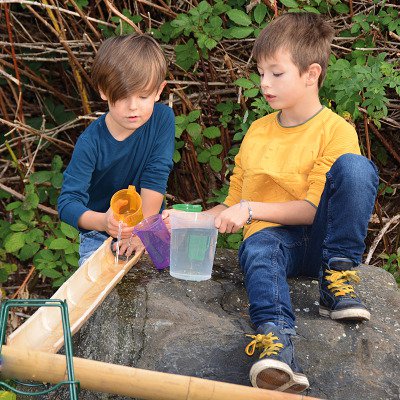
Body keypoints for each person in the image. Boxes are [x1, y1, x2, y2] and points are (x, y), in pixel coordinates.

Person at [164, 12, 378, 393]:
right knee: (258, 245)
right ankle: (276, 348)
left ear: (311, 74)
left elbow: (310, 210)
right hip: (275, 244)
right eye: (261, 72)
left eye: (276, 73)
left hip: (324, 242)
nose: (264, 83)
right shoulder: (258, 133)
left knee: (357, 169)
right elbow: (232, 202)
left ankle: (337, 284)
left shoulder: (336, 130)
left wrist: (250, 210)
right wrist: (186, 218)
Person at [58, 34, 175, 265]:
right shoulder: (91, 143)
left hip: (150, 221)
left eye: (143, 96)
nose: (133, 107)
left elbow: (156, 174)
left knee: (170, 280)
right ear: (103, 91)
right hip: (100, 234)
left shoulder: (163, 119)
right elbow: (67, 203)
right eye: (122, 96)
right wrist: (103, 222)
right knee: (98, 292)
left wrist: (145, 230)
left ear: (159, 91)